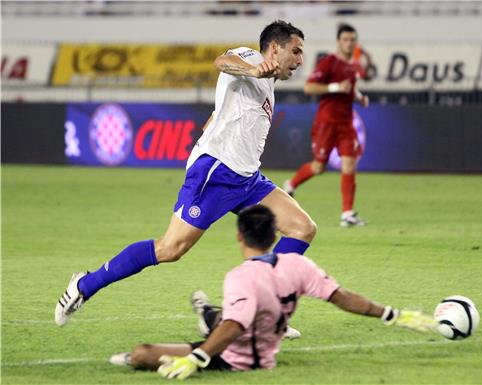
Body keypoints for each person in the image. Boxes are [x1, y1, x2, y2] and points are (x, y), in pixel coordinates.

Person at [55, 20, 317, 327]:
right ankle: (84, 285)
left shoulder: (268, 85)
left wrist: (217, 118)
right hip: (216, 173)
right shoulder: (251, 58)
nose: (300, 61)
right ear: (275, 48)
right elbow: (223, 62)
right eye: (296, 51)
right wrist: (254, 70)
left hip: (248, 179)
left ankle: (264, 314)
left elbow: (226, 110)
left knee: (302, 228)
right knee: (170, 248)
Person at [108, 205, 437, 379]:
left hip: (233, 359)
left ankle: (201, 318)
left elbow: (234, 328)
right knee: (226, 315)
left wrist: (197, 358)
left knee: (142, 353)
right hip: (265, 350)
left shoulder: (241, 277)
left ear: (240, 235)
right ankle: (205, 311)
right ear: (272, 234)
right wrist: (393, 314)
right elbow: (342, 296)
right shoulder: (298, 265)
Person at [283, 23, 370, 227]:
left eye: (352, 40)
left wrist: (359, 97)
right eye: (346, 40)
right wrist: (335, 86)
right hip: (327, 122)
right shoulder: (328, 63)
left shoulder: (353, 66)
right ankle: (291, 184)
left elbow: (349, 89)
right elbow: (309, 87)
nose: (349, 43)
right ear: (339, 42)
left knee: (350, 164)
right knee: (319, 166)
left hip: (346, 123)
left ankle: (347, 214)